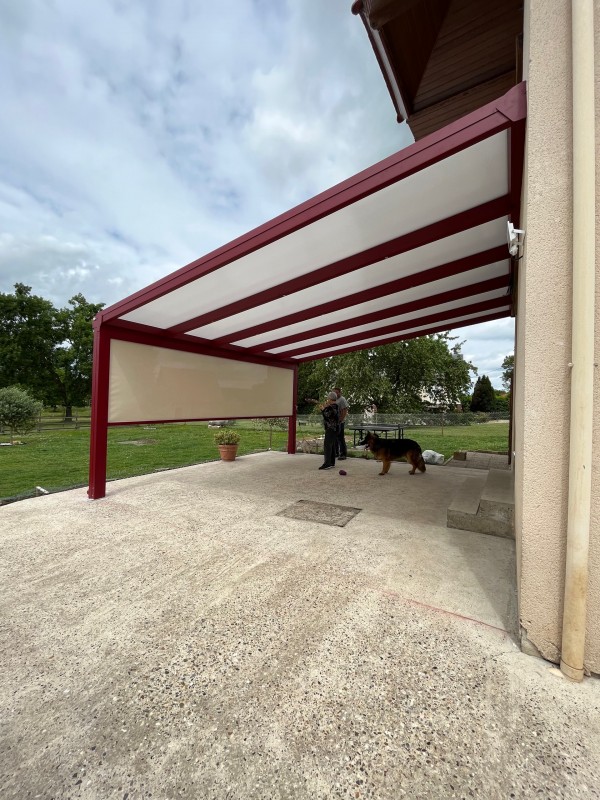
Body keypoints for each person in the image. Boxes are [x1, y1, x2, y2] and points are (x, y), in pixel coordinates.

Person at [319, 391, 339, 470]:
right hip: (335, 429)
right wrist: (325, 408)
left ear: (330, 399)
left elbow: (327, 416)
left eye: (328, 398)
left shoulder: (332, 407)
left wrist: (323, 409)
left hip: (331, 429)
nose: (327, 400)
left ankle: (327, 463)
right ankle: (331, 462)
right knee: (332, 445)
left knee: (327, 446)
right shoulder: (335, 406)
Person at [333, 387, 348, 460]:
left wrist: (341, 419)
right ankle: (336, 452)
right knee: (335, 437)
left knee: (340, 437)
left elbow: (344, 410)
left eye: (336, 392)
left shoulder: (342, 399)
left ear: (339, 392)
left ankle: (343, 454)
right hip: (334, 422)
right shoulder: (334, 400)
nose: (335, 393)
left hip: (340, 422)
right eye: (334, 392)